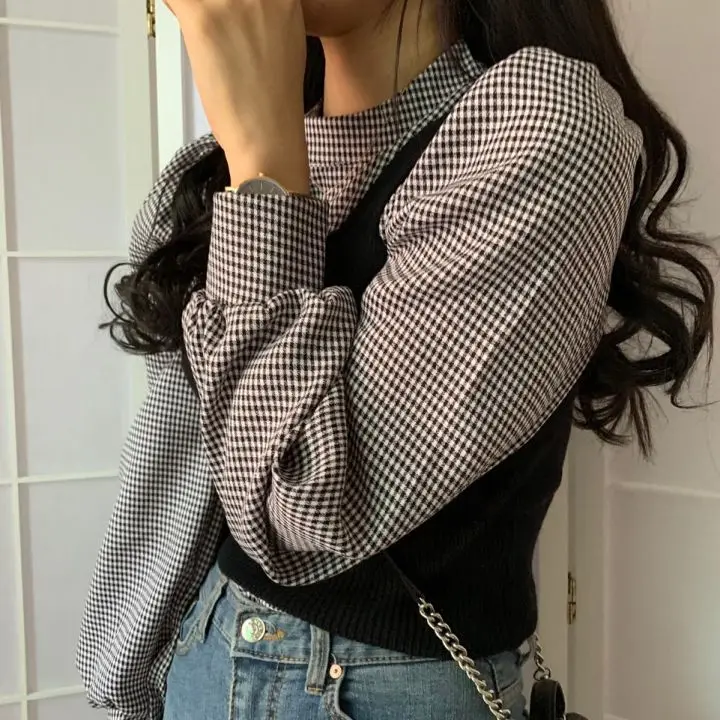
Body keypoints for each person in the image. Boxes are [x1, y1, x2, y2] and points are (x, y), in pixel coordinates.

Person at [78, 0, 715, 718]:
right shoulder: (207, 170)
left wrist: (262, 160)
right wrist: (134, 681)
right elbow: (179, 479)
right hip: (200, 660)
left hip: (374, 693)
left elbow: (305, 509)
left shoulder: (539, 120)